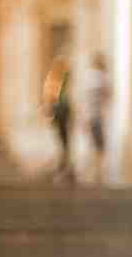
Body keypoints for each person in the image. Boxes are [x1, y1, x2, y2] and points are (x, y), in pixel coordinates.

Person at [42, 55, 74, 183]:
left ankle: (63, 164)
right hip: (64, 110)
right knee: (64, 140)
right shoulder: (63, 78)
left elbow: (50, 96)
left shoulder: (54, 79)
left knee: (62, 139)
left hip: (60, 110)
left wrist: (48, 110)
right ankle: (64, 164)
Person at [84, 52, 111, 183]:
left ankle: (94, 172)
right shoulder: (103, 77)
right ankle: (97, 172)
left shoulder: (89, 77)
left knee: (94, 144)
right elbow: (108, 95)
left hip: (91, 115)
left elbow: (85, 99)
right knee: (99, 145)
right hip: (98, 115)